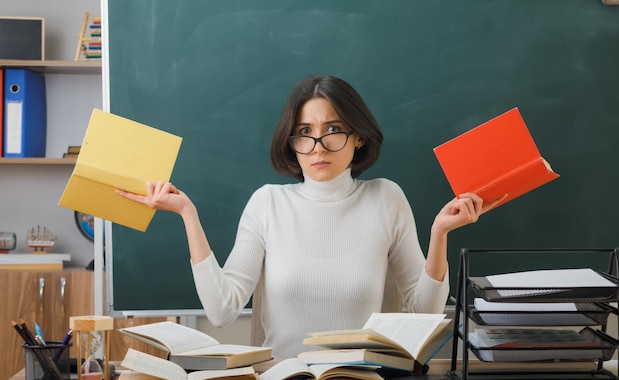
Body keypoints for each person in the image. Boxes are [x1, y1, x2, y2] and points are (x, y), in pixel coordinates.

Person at [117, 75, 502, 360]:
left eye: (333, 130)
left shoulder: (386, 198)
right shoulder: (267, 204)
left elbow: (424, 313)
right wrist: (188, 214)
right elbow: (221, 310)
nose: (318, 147)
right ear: (291, 141)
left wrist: (439, 234)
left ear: (359, 136)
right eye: (304, 132)